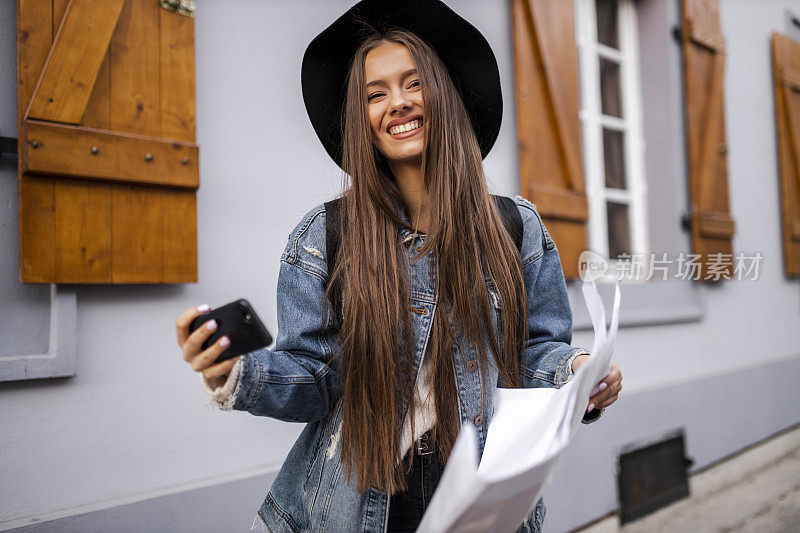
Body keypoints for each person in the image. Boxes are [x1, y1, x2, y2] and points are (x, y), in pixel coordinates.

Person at [174, 1, 622, 531]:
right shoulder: (324, 237)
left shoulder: (515, 227)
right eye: (376, 93)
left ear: (445, 95)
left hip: (484, 494)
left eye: (413, 83)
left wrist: (577, 373)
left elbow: (534, 351)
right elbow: (314, 377)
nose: (398, 103)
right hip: (356, 503)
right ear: (362, 118)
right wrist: (237, 373)